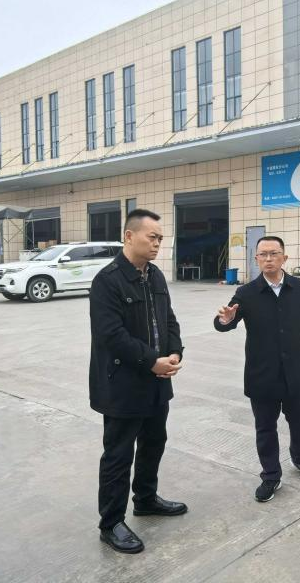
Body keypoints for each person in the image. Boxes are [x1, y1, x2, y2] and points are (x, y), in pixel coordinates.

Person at [90, 208, 188, 555]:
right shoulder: (108, 280)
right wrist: (151, 361)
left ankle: (145, 499)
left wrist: (174, 351)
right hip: (124, 383)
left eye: (161, 238)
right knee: (118, 455)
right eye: (152, 237)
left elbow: (169, 320)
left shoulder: (155, 275)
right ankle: (111, 523)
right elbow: (111, 335)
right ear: (129, 236)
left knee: (154, 442)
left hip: (157, 381)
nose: (158, 243)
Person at [213, 236, 300, 503]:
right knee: (265, 428)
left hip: (297, 372)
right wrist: (225, 320)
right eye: (263, 254)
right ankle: (271, 475)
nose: (268, 259)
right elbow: (225, 322)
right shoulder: (246, 292)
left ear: (284, 258)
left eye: (274, 253)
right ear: (256, 259)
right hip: (262, 374)